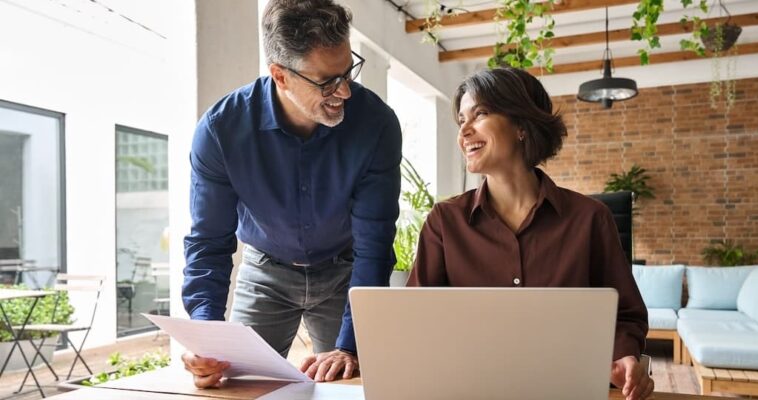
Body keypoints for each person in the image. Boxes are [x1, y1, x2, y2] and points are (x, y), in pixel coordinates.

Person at [181, 0, 401, 387]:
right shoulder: (220, 131)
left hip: (346, 272)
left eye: (348, 71)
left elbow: (375, 244)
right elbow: (209, 242)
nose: (345, 91)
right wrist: (205, 336)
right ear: (280, 76)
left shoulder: (376, 124)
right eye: (326, 82)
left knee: (355, 384)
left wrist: (349, 346)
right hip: (265, 270)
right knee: (228, 382)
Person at [407, 67, 653, 400]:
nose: (464, 130)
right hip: (471, 389)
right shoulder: (444, 222)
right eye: (461, 119)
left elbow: (626, 314)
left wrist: (624, 353)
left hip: (568, 389)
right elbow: (416, 321)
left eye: (479, 114)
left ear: (522, 125)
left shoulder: (590, 219)